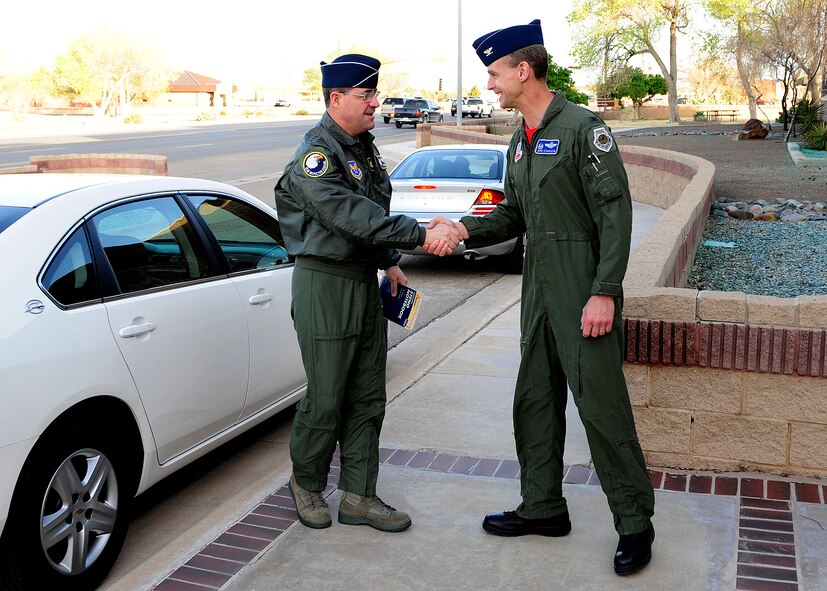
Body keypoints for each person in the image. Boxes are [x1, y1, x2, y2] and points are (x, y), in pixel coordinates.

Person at [428, 20, 656, 574]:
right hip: (539, 290)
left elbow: (614, 214)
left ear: (522, 70)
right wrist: (462, 229)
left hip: (582, 286)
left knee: (602, 410)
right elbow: (514, 214)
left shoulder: (583, 128)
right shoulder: (518, 139)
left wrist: (604, 292)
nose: (490, 85)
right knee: (533, 400)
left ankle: (635, 524)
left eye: (494, 73)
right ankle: (543, 507)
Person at [274, 53, 460, 533]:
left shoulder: (362, 148)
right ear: (336, 99)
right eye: (366, 95)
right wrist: (420, 238)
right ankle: (308, 483)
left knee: (366, 394)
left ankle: (359, 494)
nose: (376, 103)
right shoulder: (315, 156)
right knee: (328, 394)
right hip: (325, 282)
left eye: (375, 94)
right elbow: (350, 215)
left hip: (362, 279)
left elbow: (371, 214)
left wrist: (389, 262)